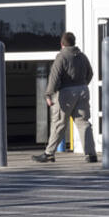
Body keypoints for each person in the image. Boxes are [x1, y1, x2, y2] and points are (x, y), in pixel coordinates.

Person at [33, 32, 96, 163]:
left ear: (62, 44)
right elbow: (90, 73)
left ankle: (49, 153)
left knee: (59, 123)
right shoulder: (82, 56)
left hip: (66, 92)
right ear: (74, 42)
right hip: (83, 90)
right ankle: (91, 154)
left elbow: (54, 77)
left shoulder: (61, 56)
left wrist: (48, 94)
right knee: (83, 123)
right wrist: (83, 84)